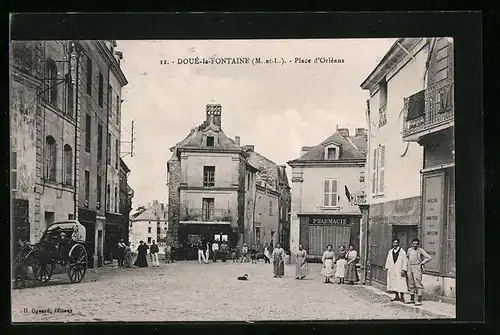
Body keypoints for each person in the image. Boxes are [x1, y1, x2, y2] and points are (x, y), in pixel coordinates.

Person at [406, 238, 432, 306]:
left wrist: (422, 263)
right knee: (411, 283)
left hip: (417, 267)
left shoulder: (420, 250)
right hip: (410, 267)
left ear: (418, 244)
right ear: (412, 244)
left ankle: (419, 300)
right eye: (413, 244)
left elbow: (429, 258)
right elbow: (407, 258)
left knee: (418, 282)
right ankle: (412, 299)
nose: (414, 245)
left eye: (416, 244)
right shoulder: (409, 250)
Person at [384, 238, 408, 302]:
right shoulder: (390, 251)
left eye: (396, 243)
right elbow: (388, 259)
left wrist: (404, 269)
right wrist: (387, 267)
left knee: (401, 283)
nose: (395, 244)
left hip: (399, 269)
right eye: (394, 243)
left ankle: (402, 297)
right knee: (394, 283)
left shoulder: (402, 252)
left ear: (398, 243)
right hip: (392, 269)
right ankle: (396, 296)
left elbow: (405, 261)